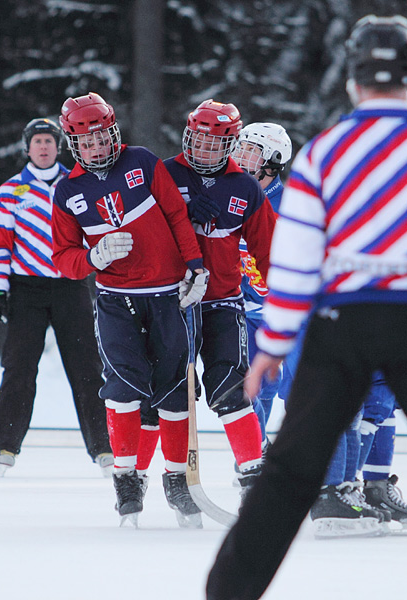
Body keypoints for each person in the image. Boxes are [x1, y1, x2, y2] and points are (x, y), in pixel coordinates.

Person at [207, 15, 407, 600]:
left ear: (353, 81)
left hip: (338, 325)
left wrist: (274, 343)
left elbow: (294, 261)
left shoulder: (325, 152)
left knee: (289, 474)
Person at [50, 92, 209, 528]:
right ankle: (126, 480)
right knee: (123, 388)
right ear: (73, 145)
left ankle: (177, 479)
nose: (97, 147)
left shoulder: (142, 161)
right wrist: (94, 258)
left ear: (113, 132)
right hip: (115, 301)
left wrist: (196, 266)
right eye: (87, 142)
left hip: (168, 295)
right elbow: (63, 259)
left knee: (175, 389)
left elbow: (178, 216)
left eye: (102, 138)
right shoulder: (67, 190)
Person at [0, 117, 111, 478]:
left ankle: (104, 446)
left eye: (50, 141)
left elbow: (96, 233)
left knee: (87, 368)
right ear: (27, 148)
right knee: (19, 367)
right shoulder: (10, 192)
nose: (44, 147)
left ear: (60, 147)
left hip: (71, 286)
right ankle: (5, 445)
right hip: (26, 290)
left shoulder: (78, 184)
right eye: (37, 141)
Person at [163, 100, 276, 500]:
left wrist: (288, 295)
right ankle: (171, 476)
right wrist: (180, 211)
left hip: (223, 300)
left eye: (215, 144)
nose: (205, 150)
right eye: (199, 140)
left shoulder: (244, 187)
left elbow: (269, 250)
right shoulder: (164, 173)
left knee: (231, 387)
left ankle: (251, 471)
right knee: (168, 391)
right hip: (170, 301)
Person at [231, 121, 294, 441]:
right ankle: (255, 455)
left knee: (289, 387)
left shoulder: (291, 203)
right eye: (239, 147)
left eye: (251, 151)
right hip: (246, 310)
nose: (240, 155)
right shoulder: (230, 194)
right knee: (252, 383)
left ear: (273, 158)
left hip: (285, 312)